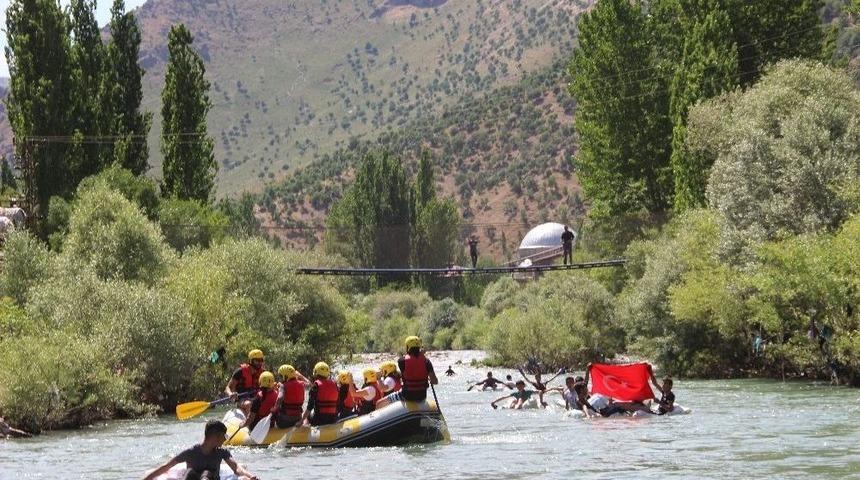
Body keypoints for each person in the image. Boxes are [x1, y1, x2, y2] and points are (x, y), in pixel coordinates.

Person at [143, 419, 258, 480]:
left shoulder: (222, 452)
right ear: (215, 437)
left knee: (207, 474)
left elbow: (236, 468)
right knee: (190, 473)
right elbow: (166, 467)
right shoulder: (191, 452)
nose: (225, 440)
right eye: (224, 436)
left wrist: (250, 476)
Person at [377, 336, 438, 409]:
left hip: (406, 395)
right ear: (419, 346)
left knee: (379, 403)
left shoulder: (402, 361)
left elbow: (409, 362)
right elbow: (435, 381)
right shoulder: (427, 362)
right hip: (422, 396)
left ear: (407, 347)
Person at [224, 349, 266, 416]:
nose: (259, 363)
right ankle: (249, 424)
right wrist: (230, 394)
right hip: (242, 398)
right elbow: (228, 387)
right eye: (257, 360)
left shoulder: (263, 373)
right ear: (251, 361)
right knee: (249, 404)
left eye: (261, 360)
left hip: (257, 397)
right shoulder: (240, 371)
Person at [302, 362, 338, 426]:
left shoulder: (316, 386)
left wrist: (301, 420)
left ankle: (305, 427)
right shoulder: (335, 384)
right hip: (333, 419)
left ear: (316, 372)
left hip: (319, 420)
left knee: (308, 415)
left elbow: (310, 407)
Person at [273, 365, 307, 429]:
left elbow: (280, 397)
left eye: (281, 376)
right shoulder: (302, 384)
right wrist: (301, 376)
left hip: (284, 421)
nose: (280, 378)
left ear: (286, 376)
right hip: (298, 418)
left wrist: (274, 408)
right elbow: (310, 384)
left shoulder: (283, 386)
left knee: (274, 409)